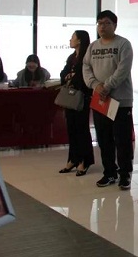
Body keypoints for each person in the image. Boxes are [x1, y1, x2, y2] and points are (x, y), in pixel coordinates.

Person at [83, 10, 134, 190]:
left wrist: (107, 86)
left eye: (106, 23)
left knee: (122, 139)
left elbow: (123, 69)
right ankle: (109, 172)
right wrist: (95, 85)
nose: (102, 27)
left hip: (120, 100)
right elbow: (86, 67)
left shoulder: (123, 44)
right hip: (101, 100)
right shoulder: (93, 46)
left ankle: (125, 174)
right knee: (104, 139)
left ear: (115, 25)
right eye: (100, 23)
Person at [59, 31, 94, 176]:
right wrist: (69, 76)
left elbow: (83, 77)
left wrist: (72, 77)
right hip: (70, 96)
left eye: (72, 37)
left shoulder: (87, 56)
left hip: (82, 96)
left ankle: (84, 160)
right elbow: (63, 74)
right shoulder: (71, 57)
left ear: (79, 40)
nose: (70, 40)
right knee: (71, 128)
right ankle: (73, 158)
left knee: (81, 129)